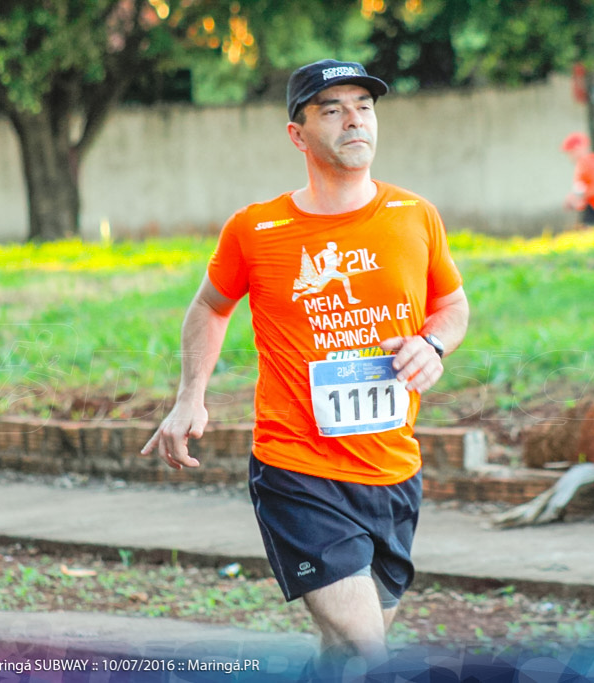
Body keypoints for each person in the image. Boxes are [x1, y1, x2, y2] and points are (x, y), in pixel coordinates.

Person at [141, 59, 470, 678]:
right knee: (368, 650)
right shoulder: (257, 229)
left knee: (341, 654)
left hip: (392, 473)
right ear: (298, 134)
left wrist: (434, 345)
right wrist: (191, 397)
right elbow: (210, 307)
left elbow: (451, 304)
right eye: (332, 109)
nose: (354, 120)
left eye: (364, 107)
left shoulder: (414, 216)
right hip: (298, 473)